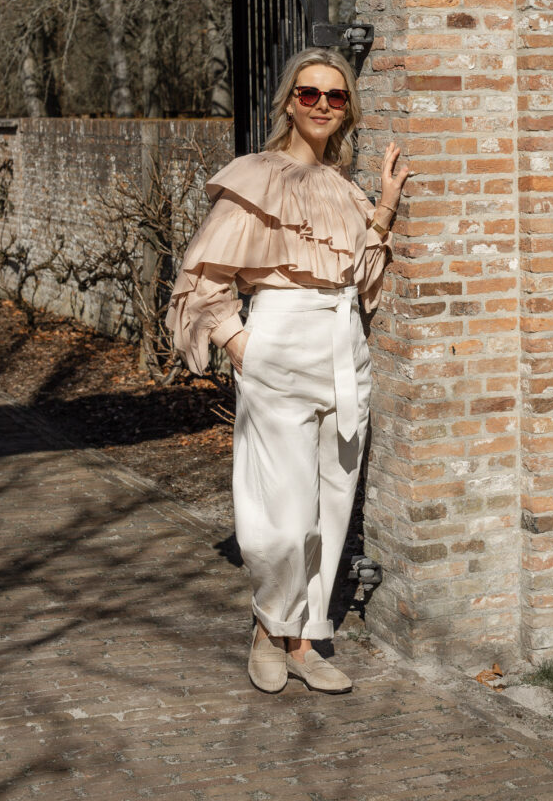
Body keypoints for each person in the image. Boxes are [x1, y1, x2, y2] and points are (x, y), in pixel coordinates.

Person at [166, 47, 412, 694]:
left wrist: (384, 207)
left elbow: (360, 281)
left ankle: (305, 640)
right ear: (289, 103)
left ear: (347, 108)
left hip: (344, 348)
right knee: (283, 516)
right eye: (309, 94)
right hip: (279, 343)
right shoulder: (259, 176)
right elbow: (203, 276)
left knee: (333, 505)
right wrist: (239, 343)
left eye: (335, 96)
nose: (322, 105)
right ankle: (269, 625)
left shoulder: (344, 189)